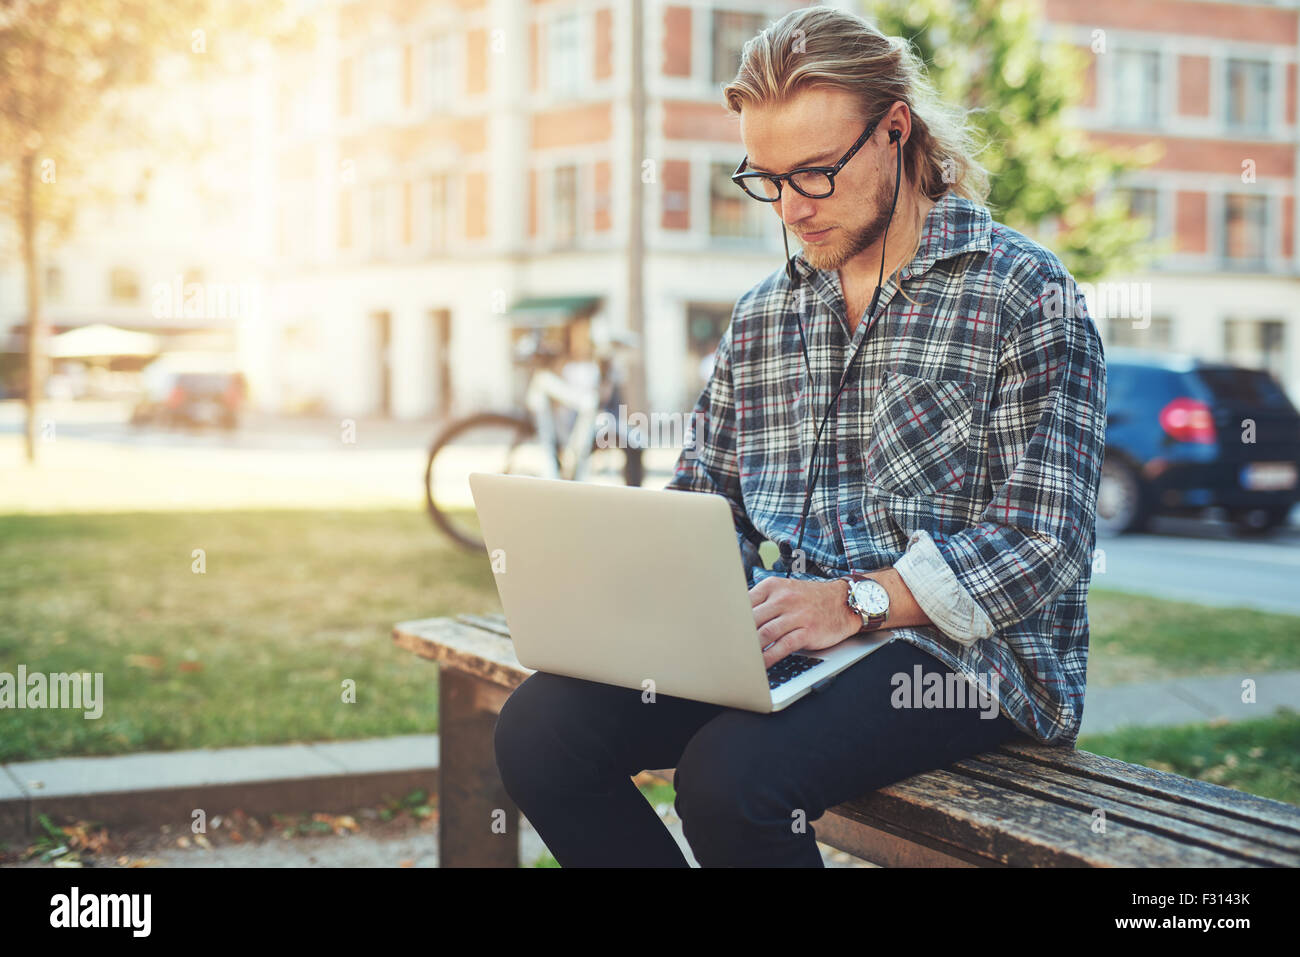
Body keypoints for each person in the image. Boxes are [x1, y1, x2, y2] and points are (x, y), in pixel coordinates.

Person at [493, 6, 1107, 867]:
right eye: (768, 178)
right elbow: (707, 499)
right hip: (799, 644)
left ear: (895, 131)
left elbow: (1045, 543)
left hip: (972, 662)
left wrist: (852, 602)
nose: (790, 207)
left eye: (815, 174)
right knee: (539, 730)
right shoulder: (762, 317)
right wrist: (651, 596)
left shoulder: (1027, 293)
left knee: (731, 777)